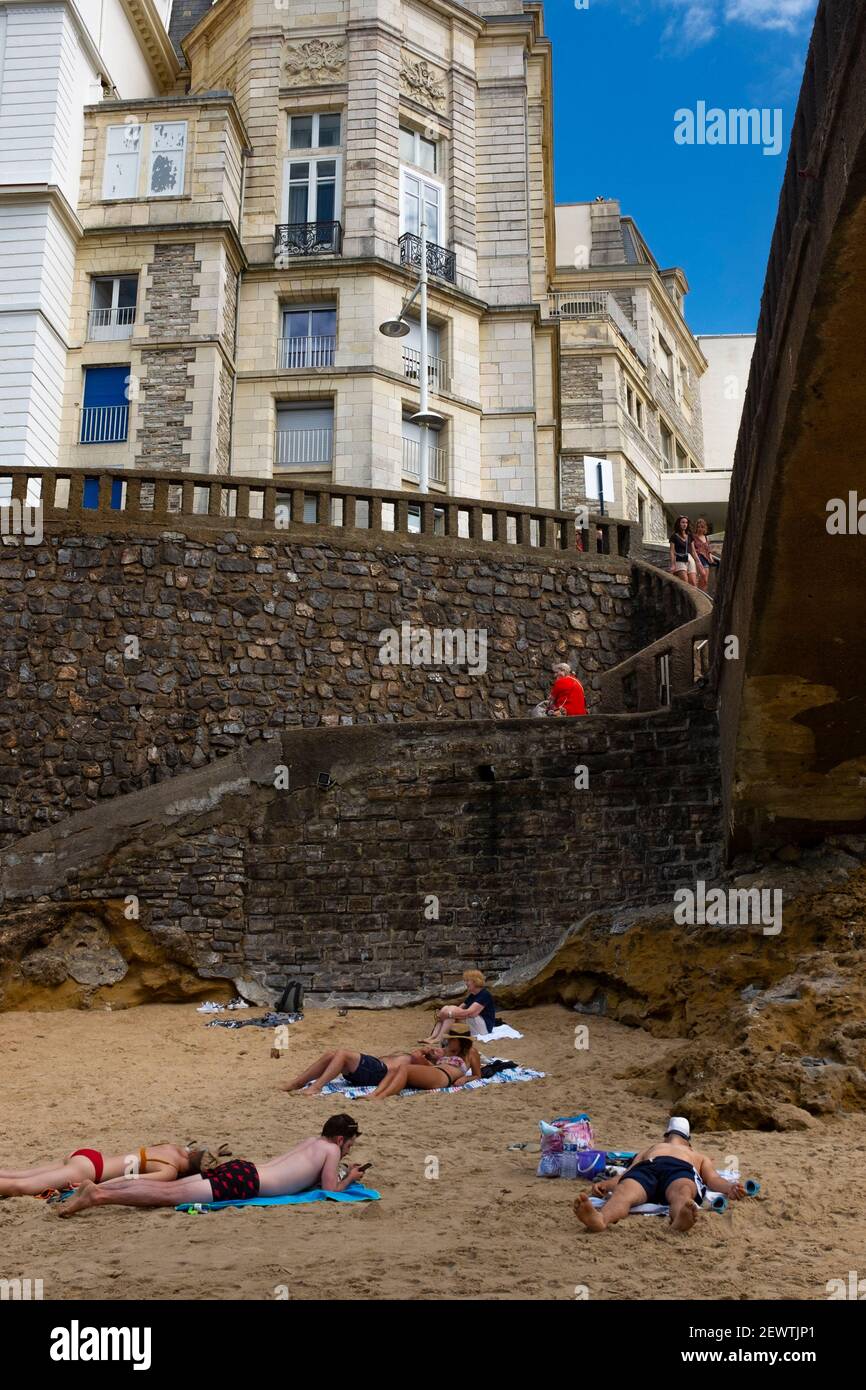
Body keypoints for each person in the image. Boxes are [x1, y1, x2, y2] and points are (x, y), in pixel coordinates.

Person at [56, 1115, 365, 1218]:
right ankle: (98, 1197)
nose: (349, 1148)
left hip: (242, 1170)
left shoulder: (314, 1141)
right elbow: (329, 1191)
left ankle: (100, 1188)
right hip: (244, 1185)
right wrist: (349, 1177)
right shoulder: (332, 1151)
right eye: (350, 1143)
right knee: (168, 1195)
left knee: (168, 1187)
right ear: (340, 1139)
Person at [573, 1116, 745, 1235]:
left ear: (666, 1135)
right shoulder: (695, 1154)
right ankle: (600, 1219)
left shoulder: (662, 1149)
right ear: (688, 1139)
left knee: (626, 1192)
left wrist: (729, 1187)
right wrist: (608, 1184)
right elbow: (629, 1172)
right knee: (630, 1190)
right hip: (667, 1168)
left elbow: (712, 1179)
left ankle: (679, 1219)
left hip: (663, 1168)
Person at [0, 1140, 206, 1198]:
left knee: (20, 1174)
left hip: (90, 1155)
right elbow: (129, 1182)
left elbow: (188, 1147)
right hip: (91, 1171)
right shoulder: (169, 1171)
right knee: (20, 1186)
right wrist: (94, 1186)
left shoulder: (171, 1148)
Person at [282, 1045, 439, 1096]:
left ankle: (316, 1087)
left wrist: (427, 1049)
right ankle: (297, 1083)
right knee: (332, 1054)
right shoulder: (422, 1060)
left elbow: (416, 1054)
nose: (435, 1048)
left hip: (379, 1072)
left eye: (439, 1050)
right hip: (374, 1069)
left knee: (342, 1054)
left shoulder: (428, 1066)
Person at [360, 1036, 481, 1101]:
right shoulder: (447, 1050)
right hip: (435, 1071)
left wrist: (465, 1078)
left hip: (444, 1076)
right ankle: (374, 1094)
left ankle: (382, 1096)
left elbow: (477, 1075)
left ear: (462, 1041)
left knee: (404, 1068)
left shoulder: (471, 1052)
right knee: (394, 1069)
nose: (449, 1042)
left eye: (452, 1039)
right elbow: (419, 1055)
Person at [421, 968, 497, 1043]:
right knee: (447, 1009)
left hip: (483, 1028)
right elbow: (460, 1008)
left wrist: (450, 1014)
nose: (465, 983)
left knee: (450, 1014)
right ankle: (433, 1037)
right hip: (474, 1021)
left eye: (467, 980)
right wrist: (446, 1012)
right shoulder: (473, 995)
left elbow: (471, 1013)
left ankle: (438, 1039)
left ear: (475, 981)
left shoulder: (484, 995)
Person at [669, 515, 698, 587]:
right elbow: (672, 551)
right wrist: (673, 565)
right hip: (679, 559)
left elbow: (693, 551)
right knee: (685, 582)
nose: (685, 524)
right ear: (679, 523)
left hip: (689, 558)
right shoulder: (674, 536)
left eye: (686, 523)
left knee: (693, 583)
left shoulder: (690, 536)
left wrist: (698, 562)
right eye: (683, 522)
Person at [691, 516, 719, 592]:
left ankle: (703, 593)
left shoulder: (706, 538)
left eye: (702, 527)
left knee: (705, 580)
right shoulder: (693, 537)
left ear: (704, 528)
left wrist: (711, 558)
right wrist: (697, 561)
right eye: (698, 527)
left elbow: (708, 549)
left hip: (706, 559)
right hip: (698, 558)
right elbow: (693, 551)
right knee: (702, 575)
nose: (700, 529)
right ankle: (697, 592)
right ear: (696, 528)